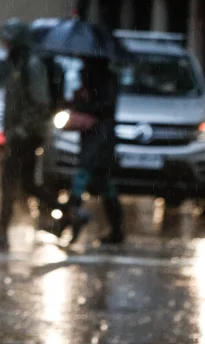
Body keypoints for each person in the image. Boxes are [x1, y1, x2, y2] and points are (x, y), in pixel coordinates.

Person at [0, 18, 61, 250]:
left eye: (8, 40)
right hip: (18, 133)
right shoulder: (16, 62)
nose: (5, 44)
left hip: (26, 135)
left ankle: (1, 233)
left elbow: (41, 104)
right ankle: (70, 213)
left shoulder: (31, 65)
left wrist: (21, 129)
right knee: (28, 184)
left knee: (9, 182)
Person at [59, 58, 124, 245]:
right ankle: (116, 229)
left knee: (83, 177)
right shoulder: (91, 79)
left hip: (99, 139)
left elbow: (103, 107)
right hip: (96, 138)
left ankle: (70, 220)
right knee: (103, 183)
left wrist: (81, 103)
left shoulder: (103, 80)